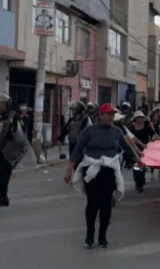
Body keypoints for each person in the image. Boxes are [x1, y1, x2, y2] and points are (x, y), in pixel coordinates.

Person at [64, 103, 141, 248]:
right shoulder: (89, 131)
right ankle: (89, 234)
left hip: (108, 171)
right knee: (92, 203)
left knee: (106, 205)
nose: (110, 117)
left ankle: (102, 236)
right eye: (108, 114)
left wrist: (138, 159)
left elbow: (126, 147)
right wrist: (70, 168)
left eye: (112, 114)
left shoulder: (116, 131)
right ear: (100, 115)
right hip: (91, 171)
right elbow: (78, 149)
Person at [0, 92, 25, 212]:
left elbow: (21, 133)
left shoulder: (13, 117)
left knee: (4, 174)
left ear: (7, 105)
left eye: (2, 104)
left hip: (8, 151)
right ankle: (4, 197)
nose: (0, 106)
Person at [127, 111, 155, 192]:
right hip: (135, 150)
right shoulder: (131, 128)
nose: (140, 119)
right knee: (137, 166)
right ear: (135, 119)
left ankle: (141, 181)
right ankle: (138, 183)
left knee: (143, 167)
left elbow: (153, 135)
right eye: (138, 118)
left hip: (145, 150)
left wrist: (153, 140)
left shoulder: (147, 126)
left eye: (141, 118)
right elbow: (130, 139)